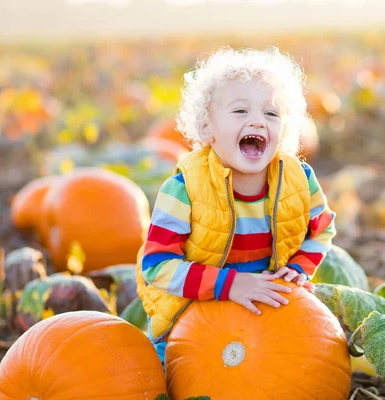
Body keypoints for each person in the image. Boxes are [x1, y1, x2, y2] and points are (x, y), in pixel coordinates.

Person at [135, 46, 336, 364]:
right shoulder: (183, 188)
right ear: (206, 128)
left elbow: (321, 230)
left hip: (265, 306)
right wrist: (230, 285)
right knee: (166, 375)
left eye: (271, 113)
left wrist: (298, 270)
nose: (258, 121)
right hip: (192, 312)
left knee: (309, 364)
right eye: (241, 111)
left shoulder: (299, 179)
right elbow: (156, 266)